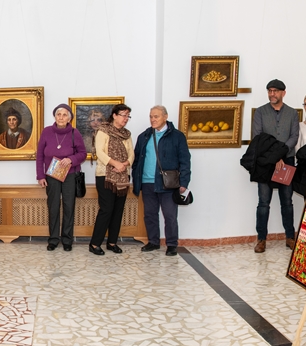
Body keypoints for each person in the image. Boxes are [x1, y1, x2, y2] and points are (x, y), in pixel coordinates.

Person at [132, 105, 190, 256]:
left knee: (170, 215)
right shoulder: (144, 136)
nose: (153, 119)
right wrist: (137, 179)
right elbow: (136, 160)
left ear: (165, 117)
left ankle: (171, 244)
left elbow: (185, 161)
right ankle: (153, 242)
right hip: (147, 183)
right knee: (150, 214)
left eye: (156, 116)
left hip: (168, 184)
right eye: (151, 116)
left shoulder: (177, 136)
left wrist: (184, 182)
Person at [252, 79, 299, 253]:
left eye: (275, 91)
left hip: (286, 161)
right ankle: (261, 239)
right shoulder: (260, 112)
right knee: (263, 202)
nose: (272, 94)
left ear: (283, 93)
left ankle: (290, 237)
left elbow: (294, 137)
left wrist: (280, 155)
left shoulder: (293, 113)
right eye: (269, 91)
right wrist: (274, 156)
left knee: (287, 201)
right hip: (265, 163)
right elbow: (258, 137)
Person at [35, 103, 87, 251]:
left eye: (64, 115)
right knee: (53, 206)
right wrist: (40, 175)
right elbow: (39, 156)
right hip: (51, 175)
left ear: (69, 118)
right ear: (55, 116)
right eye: (59, 114)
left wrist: (71, 159)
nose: (61, 117)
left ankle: (67, 240)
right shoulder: (46, 132)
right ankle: (53, 239)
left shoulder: (75, 133)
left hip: (70, 175)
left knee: (69, 207)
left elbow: (83, 154)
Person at [89, 104, 134, 255]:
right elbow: (100, 152)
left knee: (118, 210)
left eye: (128, 116)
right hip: (105, 176)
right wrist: (116, 164)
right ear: (114, 115)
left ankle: (112, 242)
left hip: (123, 176)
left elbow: (132, 154)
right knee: (106, 209)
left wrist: (125, 164)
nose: (126, 118)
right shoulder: (103, 131)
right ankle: (95, 244)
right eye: (123, 115)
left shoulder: (127, 134)